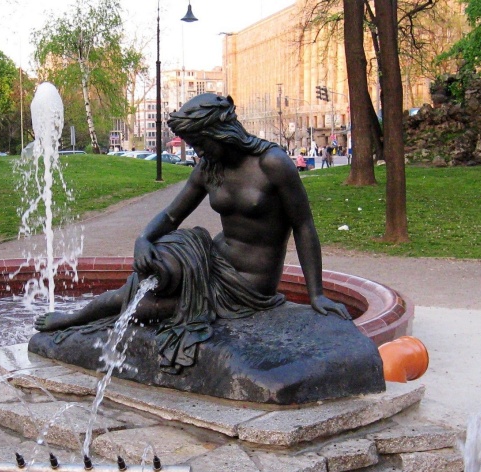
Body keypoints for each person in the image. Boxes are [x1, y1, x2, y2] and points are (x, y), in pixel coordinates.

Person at [34, 93, 349, 371]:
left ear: (220, 133)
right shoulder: (209, 166)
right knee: (146, 275)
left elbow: (303, 226)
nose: (197, 150)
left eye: (200, 142)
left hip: (247, 283)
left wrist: (316, 293)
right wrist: (143, 239)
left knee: (143, 308)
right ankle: (74, 318)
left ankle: (78, 322)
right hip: (209, 258)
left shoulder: (273, 163)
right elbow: (172, 215)